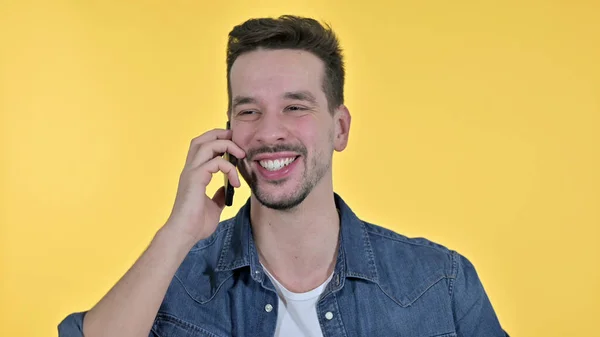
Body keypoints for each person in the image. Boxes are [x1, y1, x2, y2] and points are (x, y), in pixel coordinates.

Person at [58, 15, 509, 337]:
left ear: (340, 127)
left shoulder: (441, 284)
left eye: (295, 107)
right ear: (228, 131)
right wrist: (178, 233)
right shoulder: (172, 284)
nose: (269, 132)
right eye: (249, 110)